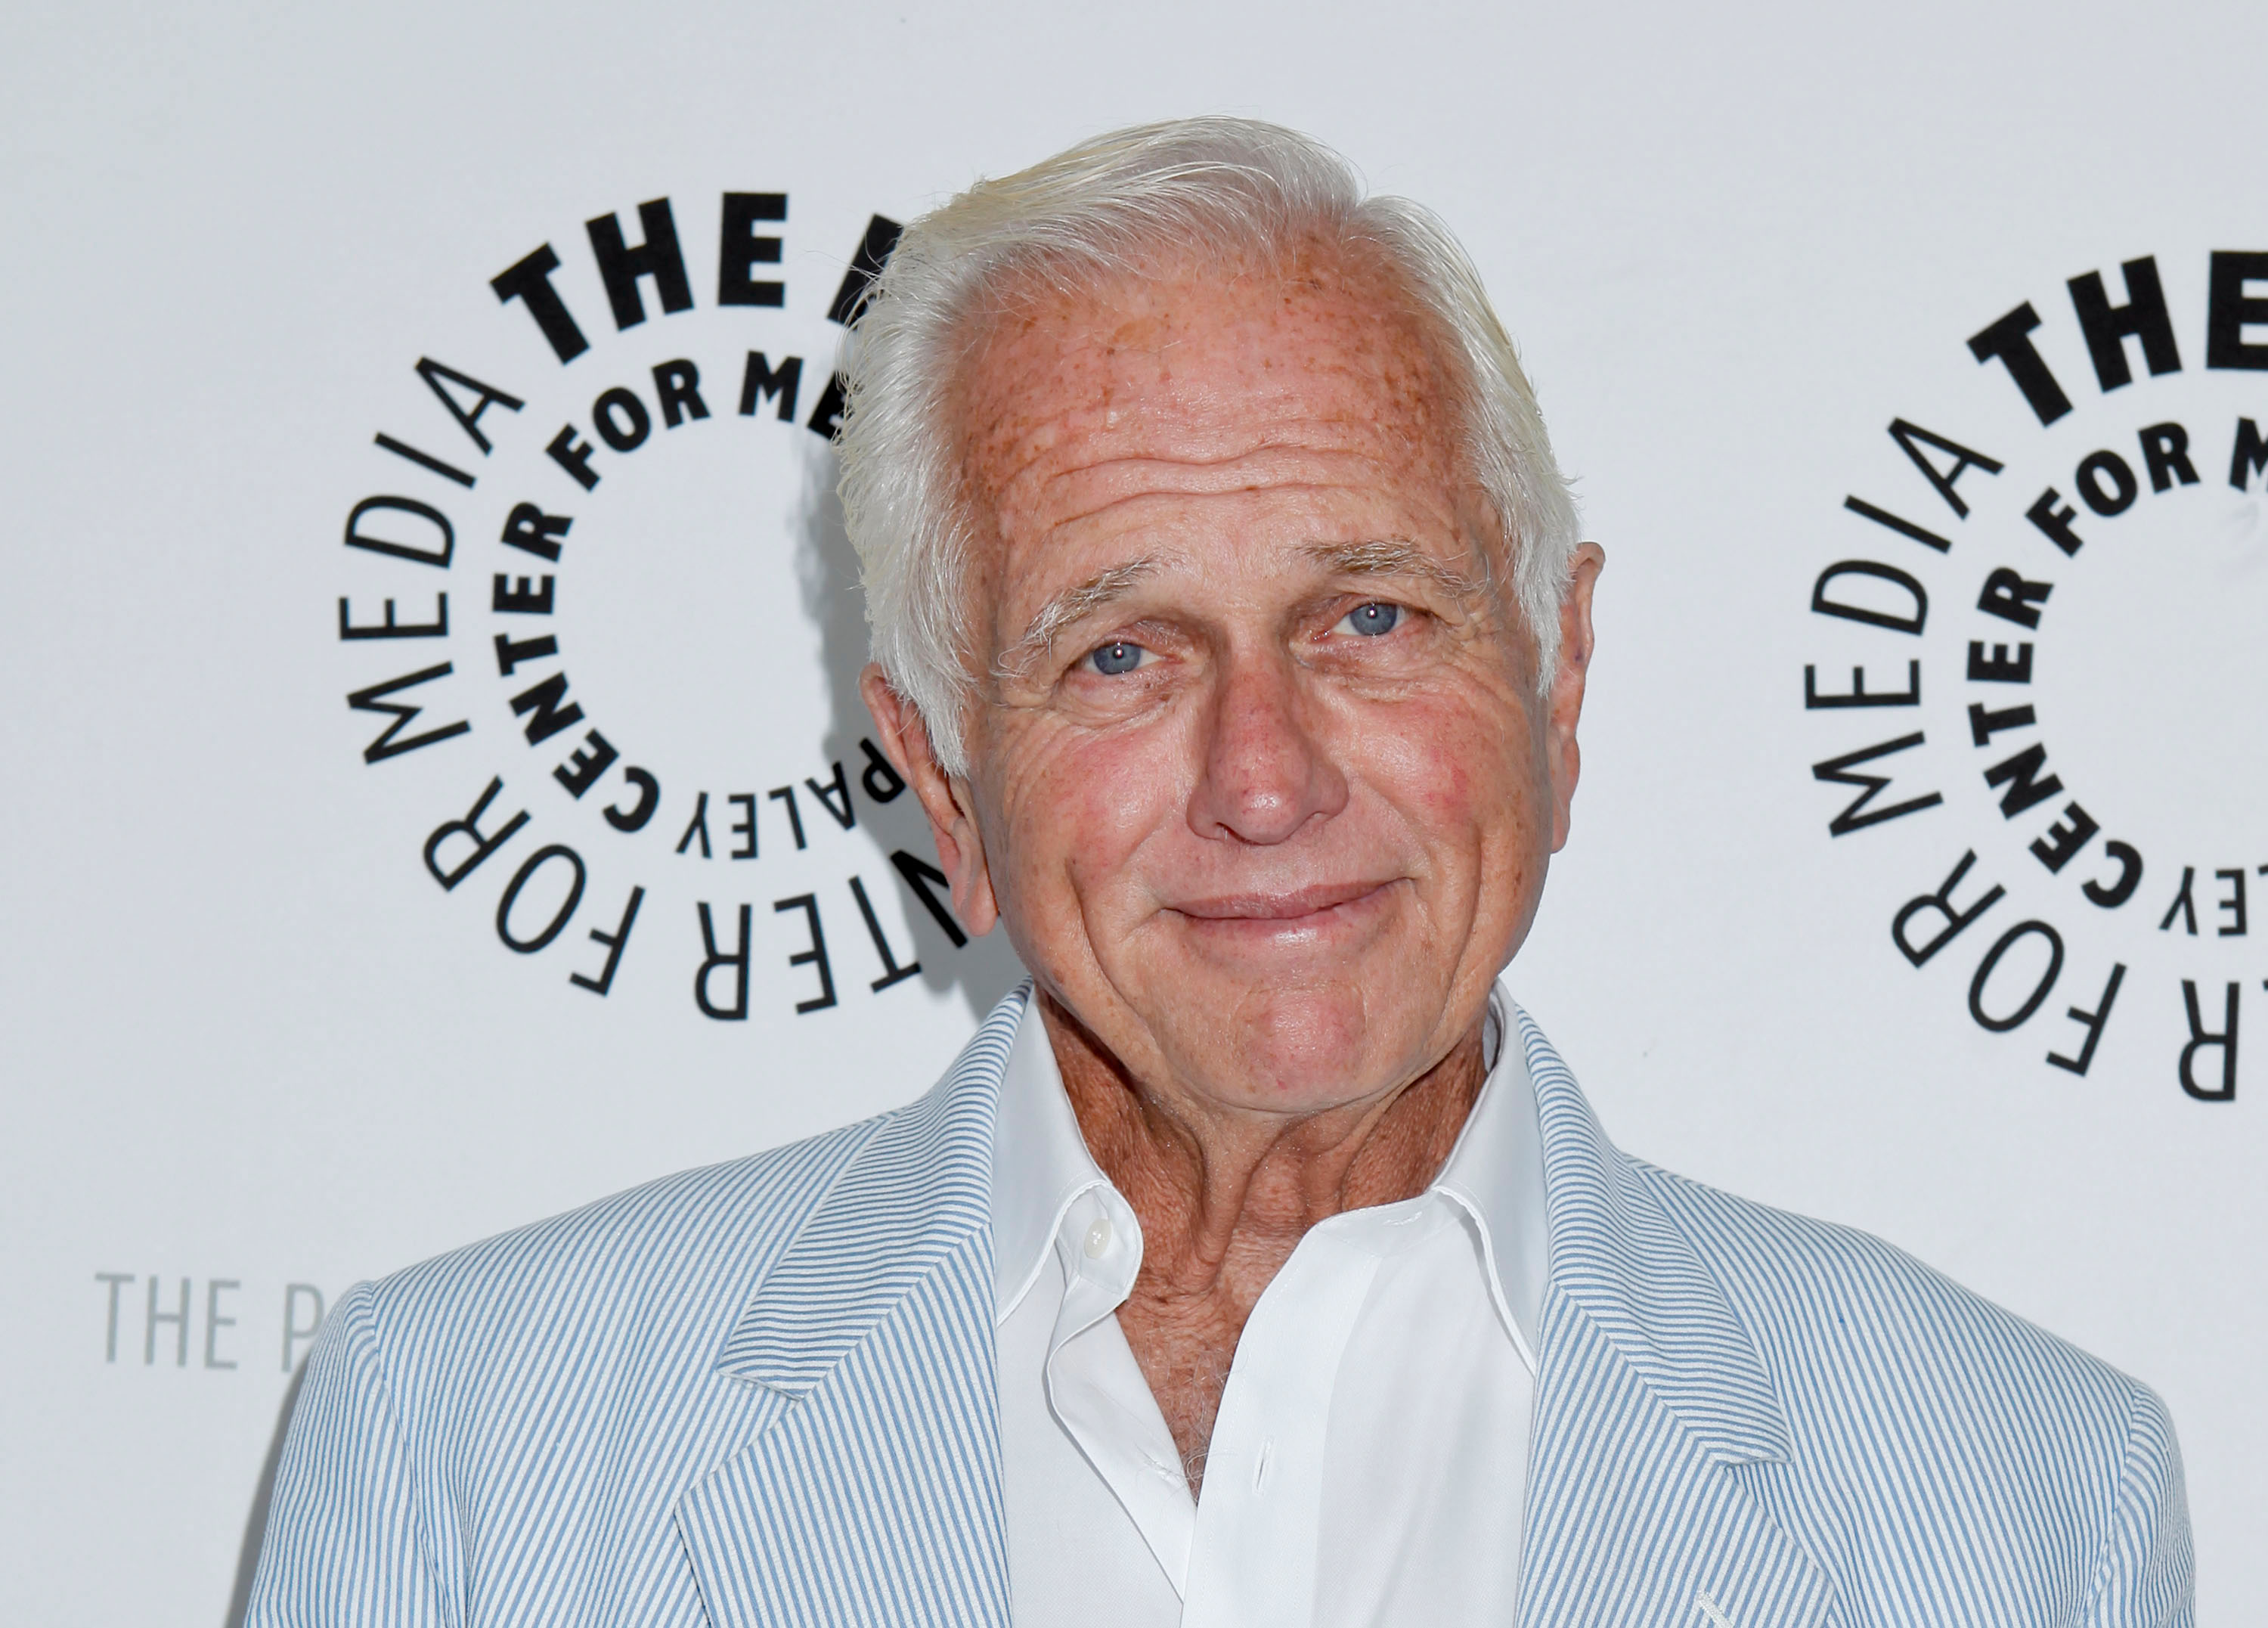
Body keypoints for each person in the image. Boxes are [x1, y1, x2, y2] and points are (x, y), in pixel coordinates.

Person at [248, 118, 2192, 1627]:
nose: (1263, 780)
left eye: (1367, 616)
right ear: (941, 773)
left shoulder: (2023, 1502)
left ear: (1558, 677)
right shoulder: (477, 1444)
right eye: (1118, 653)